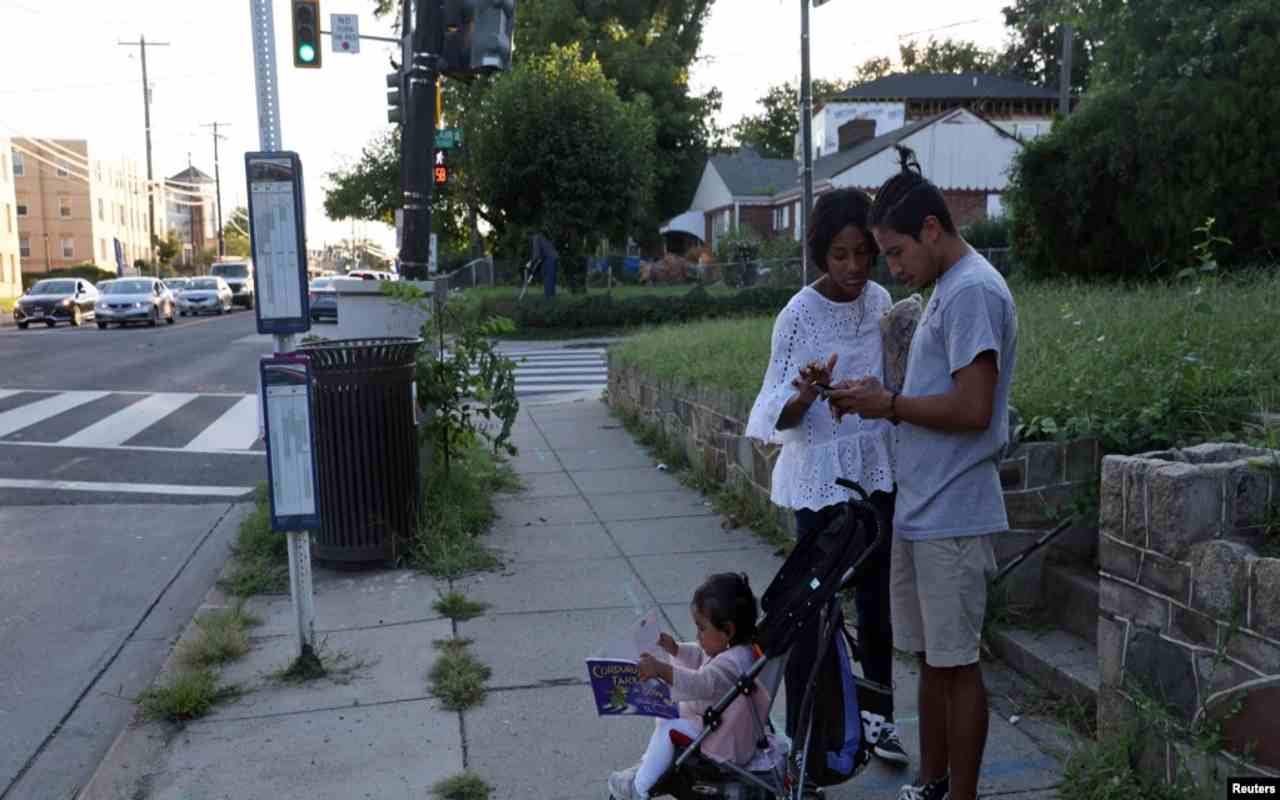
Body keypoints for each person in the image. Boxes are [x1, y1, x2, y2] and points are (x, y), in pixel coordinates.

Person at [828, 145, 1018, 800]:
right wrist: (874, 396)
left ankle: (958, 792)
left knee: (958, 666)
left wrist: (892, 405)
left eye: (899, 253)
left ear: (932, 229)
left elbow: (974, 407)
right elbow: (933, 387)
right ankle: (932, 781)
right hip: (922, 507)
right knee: (932, 662)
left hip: (954, 514)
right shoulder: (944, 292)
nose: (895, 268)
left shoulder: (972, 293)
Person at [743, 187, 907, 766]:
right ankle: (813, 728)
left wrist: (872, 399)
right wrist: (808, 394)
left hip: (874, 469)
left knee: (875, 598)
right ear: (820, 253)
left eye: (863, 253)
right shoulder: (798, 316)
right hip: (819, 478)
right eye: (840, 255)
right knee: (815, 604)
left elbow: (893, 386)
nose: (854, 268)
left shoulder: (882, 300)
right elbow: (771, 414)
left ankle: (880, 717)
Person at [607, 573, 771, 800]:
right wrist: (675, 649)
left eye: (702, 629)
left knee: (669, 726)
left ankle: (639, 788)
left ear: (728, 630)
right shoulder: (735, 649)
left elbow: (701, 683)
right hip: (721, 725)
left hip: (723, 740)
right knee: (666, 714)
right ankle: (649, 765)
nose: (698, 636)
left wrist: (661, 669)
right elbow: (702, 657)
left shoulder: (733, 663)